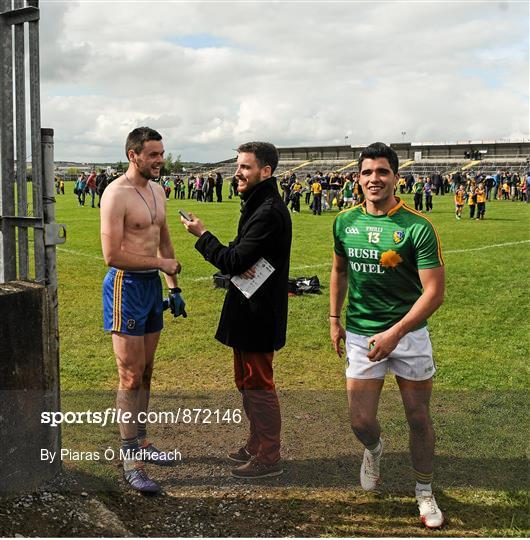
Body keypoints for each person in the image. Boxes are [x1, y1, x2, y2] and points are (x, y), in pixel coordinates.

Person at [329, 142, 445, 529]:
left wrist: (396, 332)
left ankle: (424, 491)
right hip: (362, 336)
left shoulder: (417, 226)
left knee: (418, 418)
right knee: (360, 422)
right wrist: (334, 317)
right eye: (366, 172)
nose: (373, 179)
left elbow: (434, 292)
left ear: (396, 177)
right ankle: (374, 451)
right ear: (357, 178)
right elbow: (340, 271)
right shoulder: (344, 222)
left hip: (408, 335)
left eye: (382, 172)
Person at [180, 141, 292, 479]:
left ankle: (268, 456)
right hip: (248, 308)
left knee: (259, 384)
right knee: (246, 382)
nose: (237, 173)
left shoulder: (269, 209)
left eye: (244, 167)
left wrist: (203, 236)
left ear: (266, 171)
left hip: (259, 312)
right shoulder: (258, 204)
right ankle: (256, 443)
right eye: (238, 165)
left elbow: (235, 260)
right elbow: (240, 256)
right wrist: (235, 259)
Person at [100, 127, 186, 493]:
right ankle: (129, 457)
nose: (160, 160)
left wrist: (173, 286)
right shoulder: (115, 194)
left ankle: (143, 440)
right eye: (153, 154)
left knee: (147, 372)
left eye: (162, 153)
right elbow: (112, 255)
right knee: (130, 376)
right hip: (126, 285)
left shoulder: (158, 190)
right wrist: (160, 264)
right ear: (133, 155)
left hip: (153, 286)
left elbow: (163, 236)